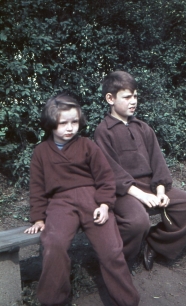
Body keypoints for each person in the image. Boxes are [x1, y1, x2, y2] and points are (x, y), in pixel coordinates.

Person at [24, 92, 140, 306]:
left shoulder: (87, 146)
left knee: (111, 250)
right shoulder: (41, 152)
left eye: (74, 122)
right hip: (60, 204)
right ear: (50, 124)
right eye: (63, 123)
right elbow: (37, 188)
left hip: (92, 200)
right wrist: (38, 218)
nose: (70, 128)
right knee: (54, 244)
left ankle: (126, 301)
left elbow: (105, 177)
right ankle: (54, 300)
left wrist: (105, 205)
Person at [94, 70, 186, 271]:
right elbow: (111, 172)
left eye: (135, 96)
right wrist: (142, 196)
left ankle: (155, 243)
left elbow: (158, 162)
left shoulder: (143, 128)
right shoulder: (103, 131)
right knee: (137, 222)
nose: (133, 101)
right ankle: (119, 263)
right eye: (127, 97)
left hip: (151, 186)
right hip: (125, 192)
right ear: (110, 99)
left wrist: (160, 190)